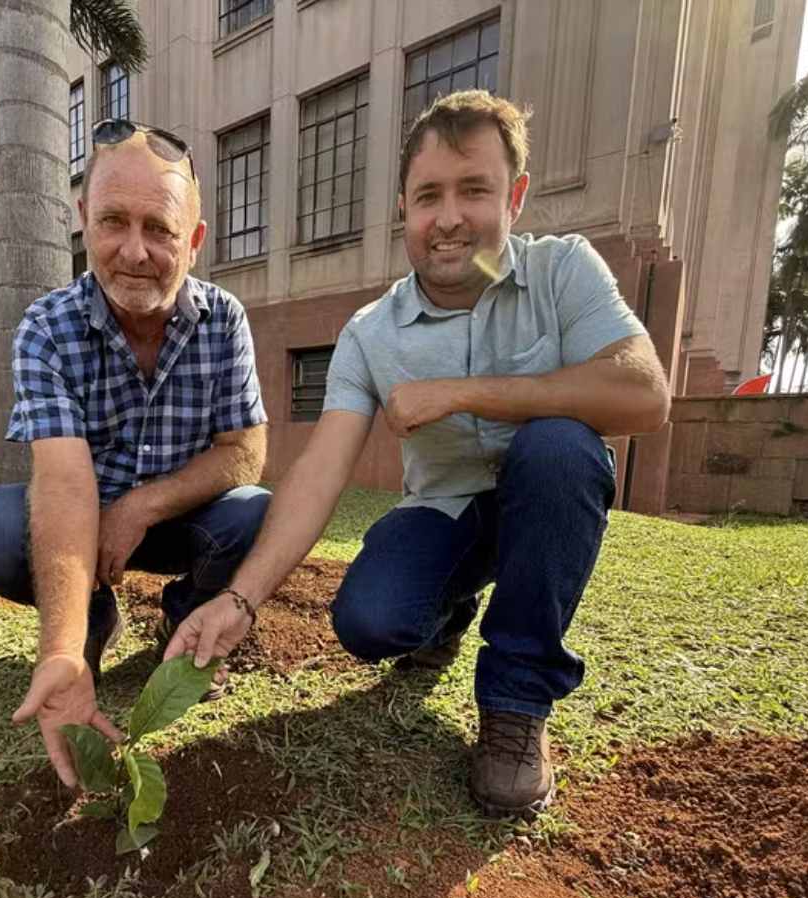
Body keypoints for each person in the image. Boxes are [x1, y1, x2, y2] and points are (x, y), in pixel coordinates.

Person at [166, 90, 671, 818]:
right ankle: (446, 613)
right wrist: (241, 600)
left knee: (559, 448)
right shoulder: (373, 333)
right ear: (404, 207)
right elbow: (319, 473)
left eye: (475, 190)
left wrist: (465, 392)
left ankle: (516, 707)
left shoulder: (563, 272)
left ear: (515, 196)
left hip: (548, 500)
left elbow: (644, 397)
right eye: (429, 195)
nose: (450, 217)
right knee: (369, 621)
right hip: (446, 512)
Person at [0, 120, 270, 787]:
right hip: (83, 527)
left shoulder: (225, 320)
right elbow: (63, 484)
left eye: (159, 228)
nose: (134, 252)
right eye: (113, 222)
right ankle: (94, 618)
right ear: (82, 221)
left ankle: (186, 631)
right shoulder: (48, 327)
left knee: (255, 513)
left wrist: (140, 507)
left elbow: (244, 454)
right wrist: (62, 651)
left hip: (182, 523)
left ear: (194, 239)